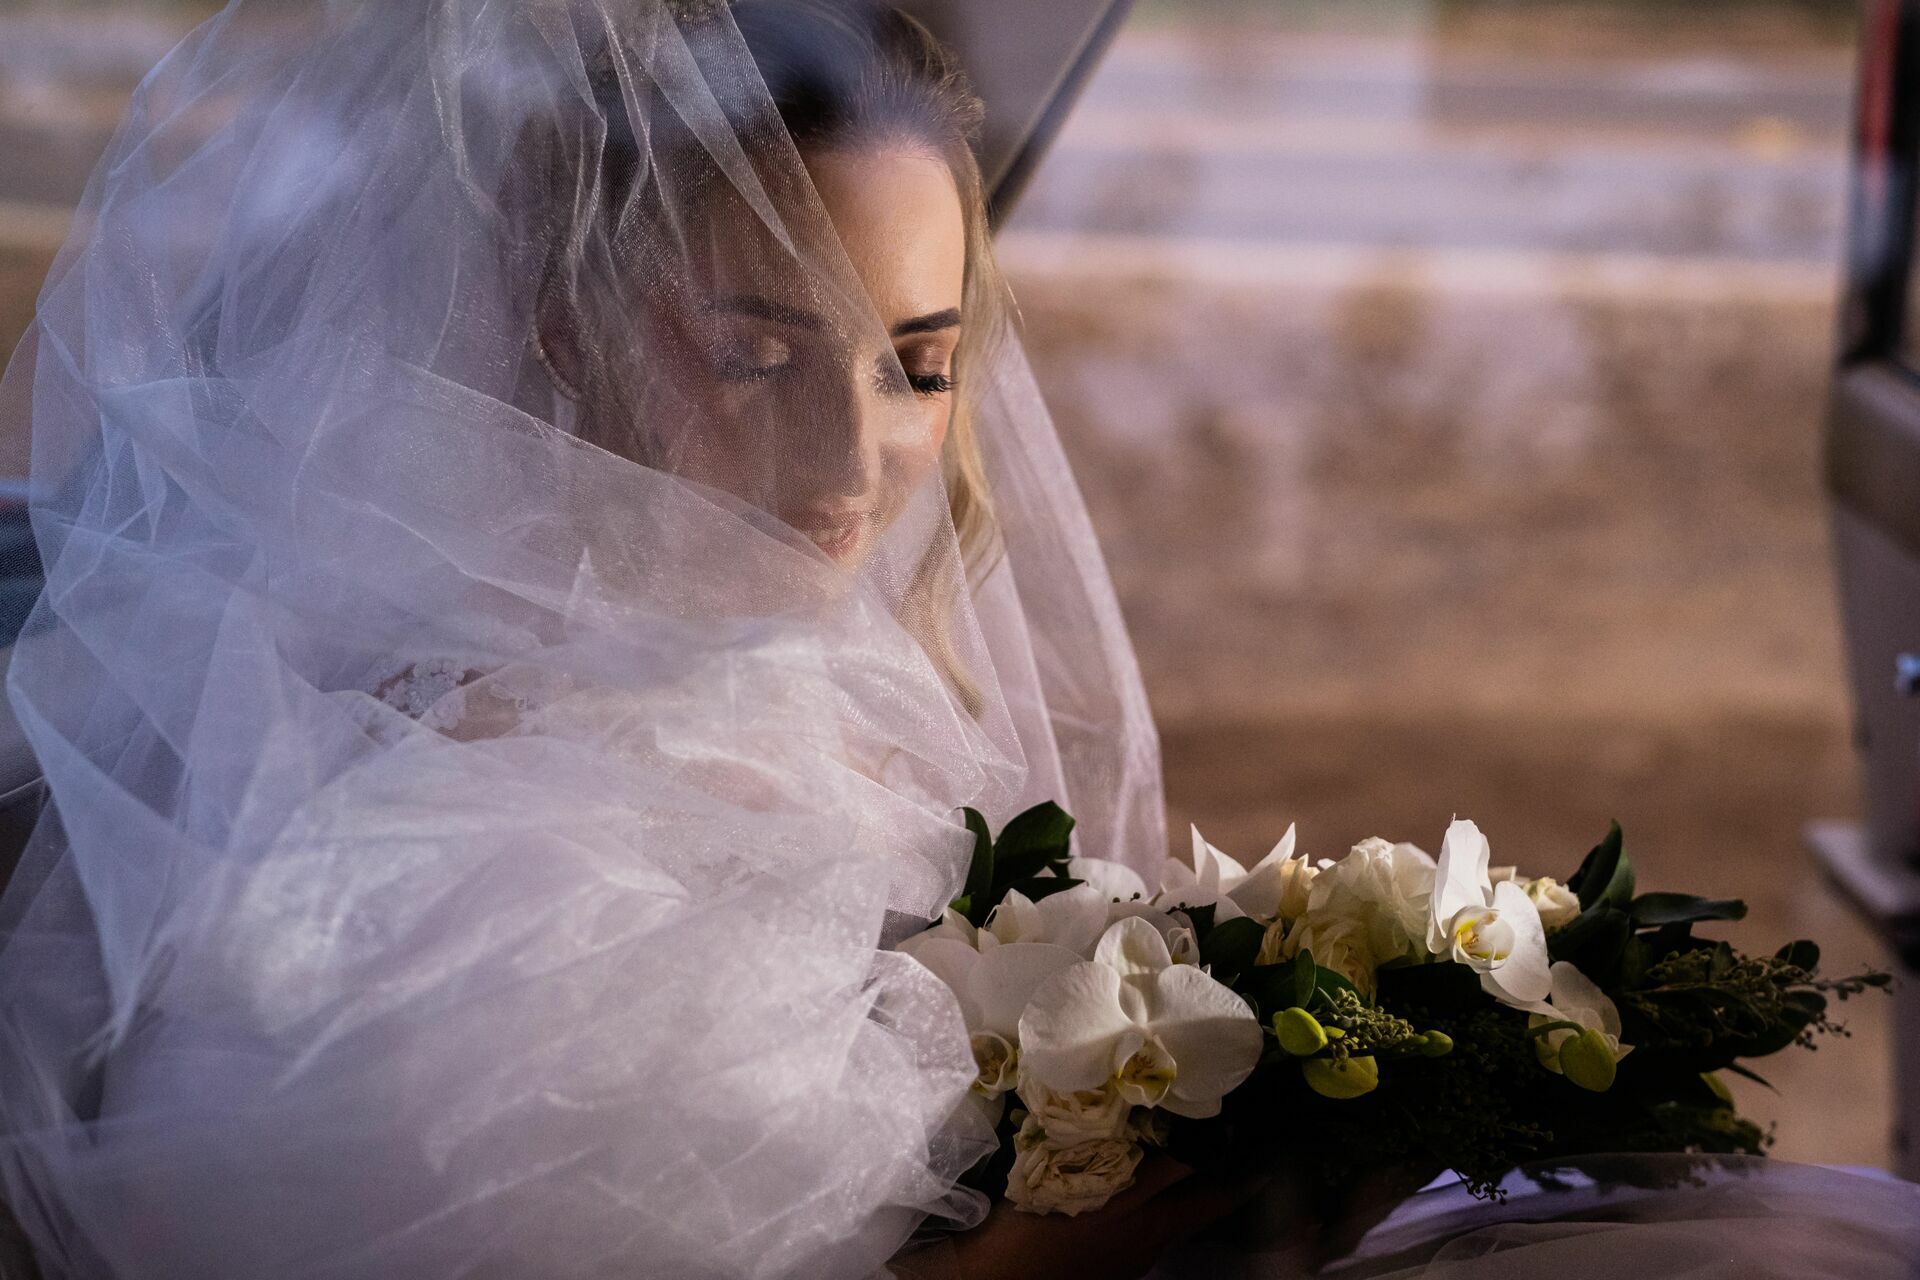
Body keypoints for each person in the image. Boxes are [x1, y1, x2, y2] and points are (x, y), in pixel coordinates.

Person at [0, 2, 1913, 1278]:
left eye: (920, 367)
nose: (856, 462)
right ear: (556, 333)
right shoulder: (421, 868)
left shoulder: (792, 680)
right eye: (752, 353)